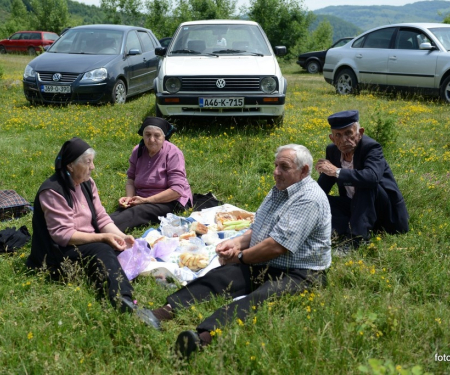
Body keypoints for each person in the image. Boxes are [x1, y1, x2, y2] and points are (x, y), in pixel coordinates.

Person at [140, 144, 331, 358]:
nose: (276, 172)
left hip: (301, 272)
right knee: (219, 277)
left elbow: (276, 246)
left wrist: (240, 258)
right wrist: (237, 243)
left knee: (261, 297)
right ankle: (161, 313)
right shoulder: (280, 188)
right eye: (275, 165)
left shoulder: (309, 199)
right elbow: (261, 227)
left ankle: (201, 339)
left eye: (283, 167)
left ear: (304, 171)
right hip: (268, 262)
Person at [26, 137, 139, 313]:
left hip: (86, 242)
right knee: (103, 250)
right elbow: (63, 235)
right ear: (70, 166)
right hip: (58, 252)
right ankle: (121, 298)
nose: (92, 167)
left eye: (92, 161)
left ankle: (108, 276)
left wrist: (121, 236)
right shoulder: (52, 191)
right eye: (88, 162)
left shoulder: (87, 183)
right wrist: (103, 238)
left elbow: (101, 218)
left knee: (123, 247)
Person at [315, 110, 409, 248]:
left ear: (360, 132)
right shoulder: (332, 151)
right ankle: (331, 230)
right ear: (332, 139)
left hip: (383, 212)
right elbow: (325, 183)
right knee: (319, 200)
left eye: (348, 133)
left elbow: (372, 177)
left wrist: (337, 172)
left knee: (366, 184)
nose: (344, 140)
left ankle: (356, 239)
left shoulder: (371, 147)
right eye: (338, 135)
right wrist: (307, 198)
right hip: (355, 208)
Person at [110, 117, 193, 232]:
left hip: (170, 200)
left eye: (157, 135)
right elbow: (131, 180)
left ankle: (104, 232)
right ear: (142, 135)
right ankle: (99, 226)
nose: (151, 139)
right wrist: (129, 198)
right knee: (121, 211)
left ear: (164, 137)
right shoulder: (138, 151)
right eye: (147, 135)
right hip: (142, 198)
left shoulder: (173, 153)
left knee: (137, 211)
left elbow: (177, 190)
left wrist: (145, 201)